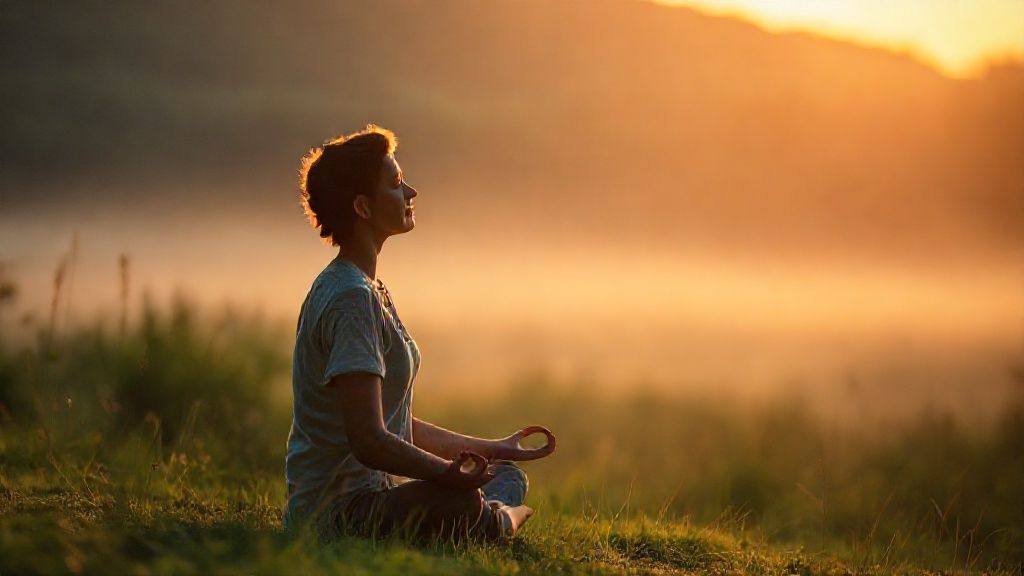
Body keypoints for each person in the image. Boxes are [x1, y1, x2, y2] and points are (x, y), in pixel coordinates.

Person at [284, 125, 556, 542]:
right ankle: (503, 519)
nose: (410, 192)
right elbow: (370, 441)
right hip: (335, 515)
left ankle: (491, 512)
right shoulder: (350, 299)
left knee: (505, 474)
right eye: (395, 183)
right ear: (363, 207)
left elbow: (395, 425)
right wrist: (450, 475)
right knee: (458, 501)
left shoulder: (367, 288)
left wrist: (494, 449)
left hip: (377, 497)